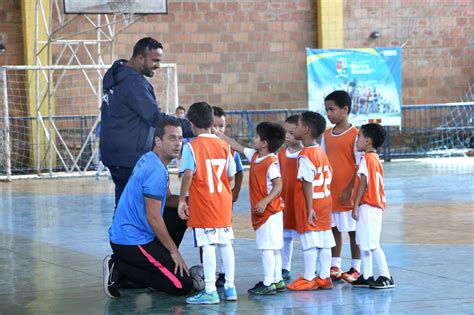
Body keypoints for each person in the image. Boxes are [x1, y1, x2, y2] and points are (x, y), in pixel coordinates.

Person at [103, 117, 193, 299]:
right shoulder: (156, 171)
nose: (178, 143)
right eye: (172, 138)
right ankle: (119, 267)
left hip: (129, 235)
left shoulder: (150, 159)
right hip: (131, 240)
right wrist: (173, 252)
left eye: (180, 138)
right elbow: (153, 217)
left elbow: (166, 200)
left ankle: (138, 274)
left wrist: (191, 201)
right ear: (158, 141)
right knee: (182, 285)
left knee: (182, 214)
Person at [100, 37, 193, 207]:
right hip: (129, 159)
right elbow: (155, 118)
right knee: (132, 212)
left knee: (125, 208)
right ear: (140, 58)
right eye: (155, 60)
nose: (158, 65)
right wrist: (191, 126)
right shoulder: (133, 83)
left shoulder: (116, 76)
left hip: (116, 157)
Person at [215, 121, 286, 295]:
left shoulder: (271, 162)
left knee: (267, 248)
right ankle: (277, 280)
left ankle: (269, 282)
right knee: (274, 247)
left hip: (269, 212)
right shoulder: (255, 155)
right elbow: (235, 145)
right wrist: (217, 133)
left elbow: (278, 185)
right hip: (273, 211)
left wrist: (265, 201)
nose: (253, 138)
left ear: (264, 143)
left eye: (256, 136)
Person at [178, 102, 237, 304]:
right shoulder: (225, 146)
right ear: (212, 122)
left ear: (191, 124)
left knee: (208, 245)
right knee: (225, 244)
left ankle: (210, 290)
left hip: (204, 204)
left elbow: (187, 173)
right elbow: (231, 176)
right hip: (223, 202)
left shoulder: (191, 147)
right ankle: (230, 288)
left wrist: (181, 199)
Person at [286, 112, 335, 291]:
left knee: (309, 241)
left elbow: (307, 181)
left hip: (311, 203)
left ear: (305, 130)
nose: (295, 129)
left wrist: (309, 207)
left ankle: (308, 278)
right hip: (325, 201)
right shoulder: (320, 152)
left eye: (297, 126)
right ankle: (324, 277)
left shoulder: (305, 154)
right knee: (324, 241)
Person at [321, 90, 363, 283]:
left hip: (349, 194)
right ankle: (334, 264)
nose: (328, 114)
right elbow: (321, 161)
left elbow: (360, 165)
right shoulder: (326, 135)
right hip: (331, 192)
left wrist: (349, 189)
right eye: (326, 110)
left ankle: (356, 267)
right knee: (334, 229)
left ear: (345, 110)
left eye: (332, 109)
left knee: (354, 231)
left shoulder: (356, 136)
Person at [351, 123, 395, 289]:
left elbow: (363, 182)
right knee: (364, 242)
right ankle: (367, 275)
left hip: (369, 205)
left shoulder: (367, 159)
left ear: (368, 141)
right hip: (369, 205)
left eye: (359, 137)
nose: (356, 140)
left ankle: (386, 276)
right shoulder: (374, 159)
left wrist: (355, 204)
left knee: (373, 243)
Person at [212, 106, 244, 288]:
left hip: (224, 200)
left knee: (225, 238)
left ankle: (224, 273)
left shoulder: (230, 149)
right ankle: (210, 269)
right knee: (207, 239)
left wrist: (237, 190)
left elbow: (239, 172)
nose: (218, 130)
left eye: (222, 126)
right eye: (215, 126)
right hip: (206, 200)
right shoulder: (200, 146)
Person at [278, 115, 303, 281]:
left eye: (291, 132)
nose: (287, 136)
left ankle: (313, 269)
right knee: (285, 238)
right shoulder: (280, 155)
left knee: (308, 238)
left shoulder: (307, 154)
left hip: (301, 203)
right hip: (285, 202)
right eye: (285, 132)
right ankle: (284, 268)